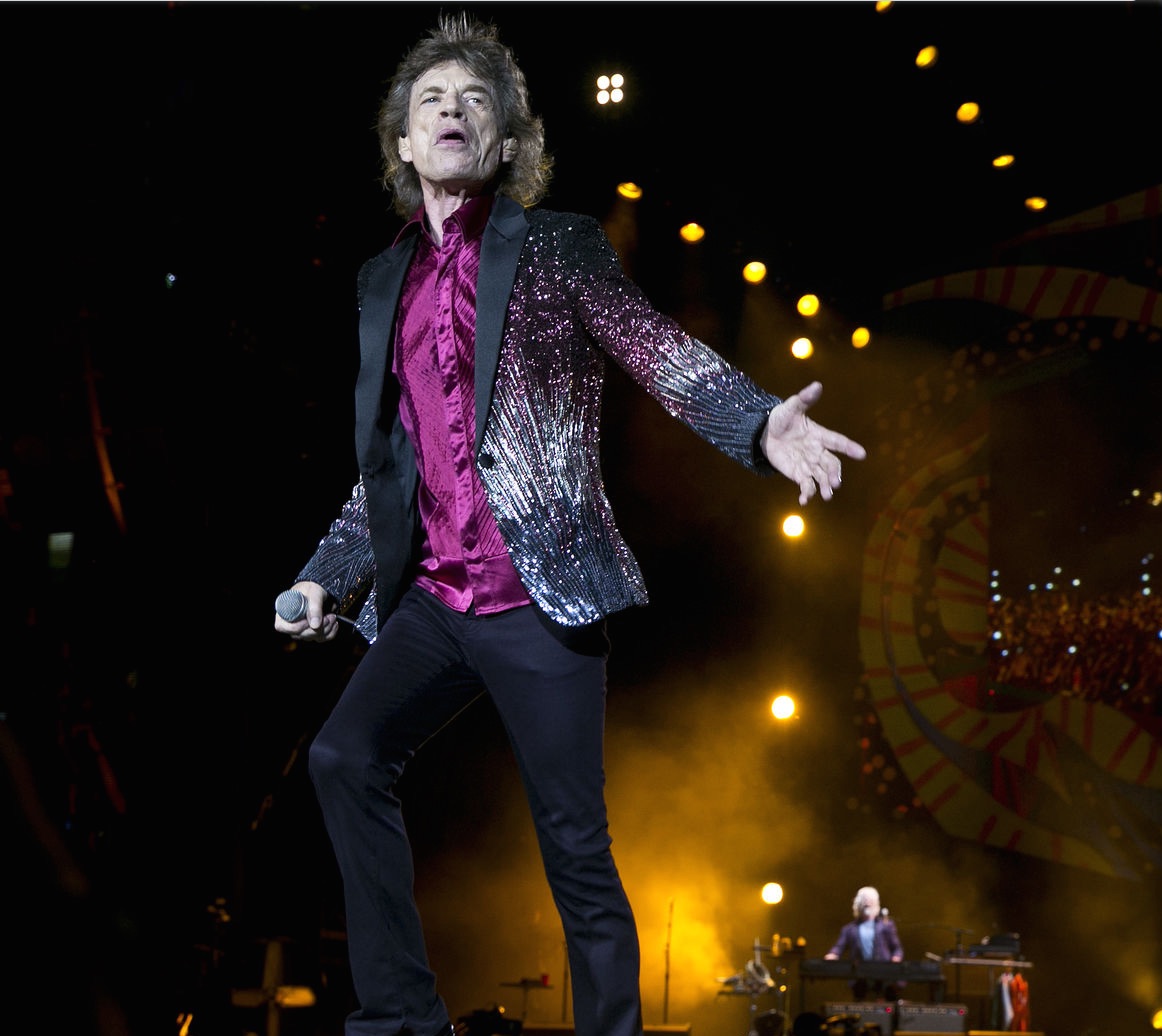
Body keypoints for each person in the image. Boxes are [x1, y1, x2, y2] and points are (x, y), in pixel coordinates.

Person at [271, 14, 866, 1036]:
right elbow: (387, 464)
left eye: (474, 100)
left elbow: (652, 347)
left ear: (505, 141)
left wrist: (757, 421)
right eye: (430, 100)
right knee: (342, 757)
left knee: (574, 846)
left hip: (539, 590)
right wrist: (326, 576)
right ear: (403, 142)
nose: (452, 110)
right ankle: (399, 1018)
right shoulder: (382, 282)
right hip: (435, 597)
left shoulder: (556, 246)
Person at [824, 886, 905, 1002]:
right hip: (861, 974)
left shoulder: (886, 926)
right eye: (864, 900)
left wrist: (896, 958)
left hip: (884, 973)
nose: (867, 903)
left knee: (889, 1000)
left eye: (871, 900)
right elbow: (839, 946)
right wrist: (833, 954)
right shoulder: (849, 929)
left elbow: (897, 948)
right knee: (860, 1000)